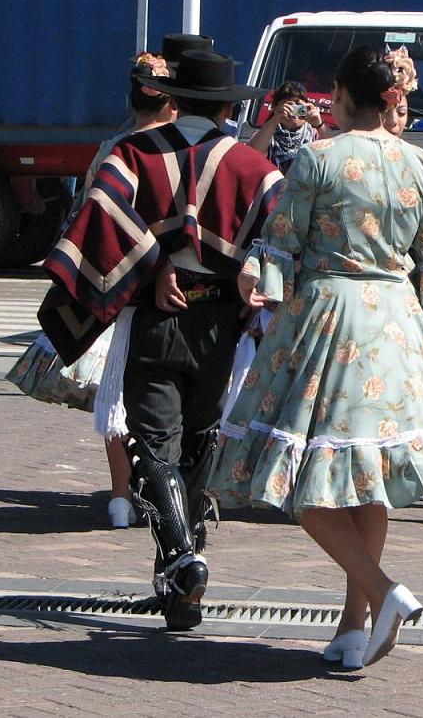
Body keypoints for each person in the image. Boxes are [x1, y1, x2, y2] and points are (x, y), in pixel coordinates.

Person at [206, 47, 423, 669]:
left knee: (306, 477)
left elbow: (280, 244)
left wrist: (258, 285)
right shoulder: (421, 163)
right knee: (368, 470)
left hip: (328, 315)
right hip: (397, 319)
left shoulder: (319, 158)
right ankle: (354, 624)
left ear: (344, 94)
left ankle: (382, 594)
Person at [42, 50, 283, 629]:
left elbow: (100, 209)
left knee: (154, 446)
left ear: (175, 100)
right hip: (220, 324)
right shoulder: (254, 166)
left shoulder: (134, 153)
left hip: (155, 316)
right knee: (198, 440)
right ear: (228, 106)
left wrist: (153, 263)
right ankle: (181, 582)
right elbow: (278, 238)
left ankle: (178, 558)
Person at [8, 50, 179, 528]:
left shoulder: (112, 147)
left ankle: (121, 495)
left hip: (112, 284)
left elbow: (87, 214)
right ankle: (164, 489)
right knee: (161, 394)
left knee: (116, 395)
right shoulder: (175, 151)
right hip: (164, 288)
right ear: (170, 104)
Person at [248, 80, 334, 172]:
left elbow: (336, 151)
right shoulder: (266, 134)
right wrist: (275, 120)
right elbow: (252, 155)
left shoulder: (315, 135)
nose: (293, 110)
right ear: (275, 107)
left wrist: (319, 124)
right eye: (288, 105)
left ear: (307, 105)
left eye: (298, 105)